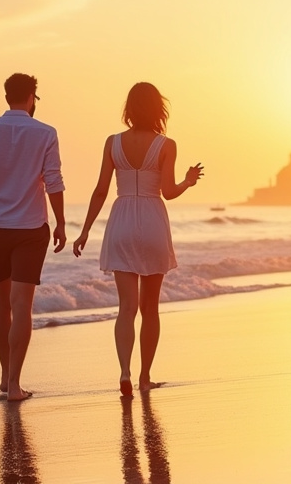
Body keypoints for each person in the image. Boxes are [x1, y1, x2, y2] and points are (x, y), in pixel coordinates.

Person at [72, 82, 203, 397]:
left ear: (129, 109)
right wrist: (188, 180)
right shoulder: (166, 145)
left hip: (121, 222)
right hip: (152, 223)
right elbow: (168, 192)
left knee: (126, 307)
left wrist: (86, 229)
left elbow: (101, 189)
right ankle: (145, 377)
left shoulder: (112, 142)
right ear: (159, 109)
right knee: (150, 308)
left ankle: (125, 373)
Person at [0, 73, 67, 402]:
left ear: (7, 96)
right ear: (32, 96)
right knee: (22, 305)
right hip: (31, 228)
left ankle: (5, 376)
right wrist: (61, 222)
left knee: (1, 301)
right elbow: (54, 181)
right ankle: (16, 384)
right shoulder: (46, 133)